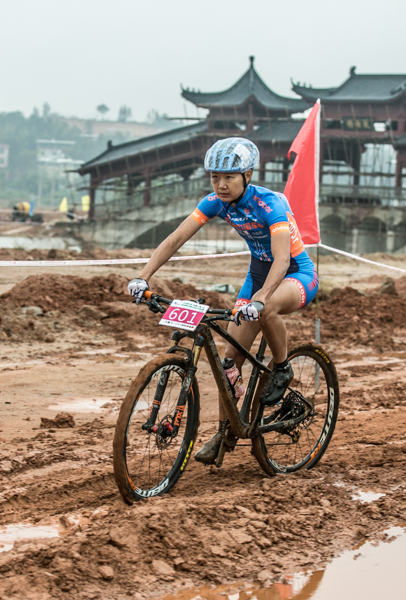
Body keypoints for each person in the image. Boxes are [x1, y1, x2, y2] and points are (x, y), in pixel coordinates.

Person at [127, 137, 319, 465]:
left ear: (247, 175)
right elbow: (176, 239)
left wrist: (259, 300)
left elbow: (283, 260)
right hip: (258, 275)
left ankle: (282, 368)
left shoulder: (270, 203)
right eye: (215, 177)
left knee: (267, 308)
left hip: (295, 274)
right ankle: (225, 432)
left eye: (228, 177)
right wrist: (142, 277)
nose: (220, 184)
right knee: (229, 364)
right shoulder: (215, 201)